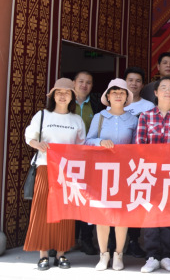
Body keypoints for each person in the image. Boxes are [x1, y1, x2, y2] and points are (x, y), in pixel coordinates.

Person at [24, 78, 86, 271]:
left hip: (67, 171)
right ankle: (43, 254)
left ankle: (61, 253)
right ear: (53, 96)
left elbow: (81, 146)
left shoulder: (76, 120)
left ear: (72, 97)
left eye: (66, 93)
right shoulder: (43, 115)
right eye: (58, 92)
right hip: (45, 167)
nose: (62, 96)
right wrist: (38, 144)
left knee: (65, 211)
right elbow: (29, 136)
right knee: (42, 210)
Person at [135, 76, 170, 273]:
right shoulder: (145, 117)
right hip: (149, 174)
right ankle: (151, 256)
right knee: (151, 215)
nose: (167, 91)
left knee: (168, 215)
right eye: (163, 88)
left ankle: (166, 255)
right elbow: (139, 146)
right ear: (156, 93)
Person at [87, 78, 139, 271]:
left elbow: (137, 146)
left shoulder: (133, 119)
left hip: (125, 173)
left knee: (121, 215)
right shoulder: (99, 117)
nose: (118, 95)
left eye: (122, 92)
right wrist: (100, 142)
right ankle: (103, 255)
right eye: (114, 92)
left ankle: (118, 254)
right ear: (108, 96)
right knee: (102, 214)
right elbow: (87, 141)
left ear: (126, 97)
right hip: (102, 172)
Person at [122, 65, 153, 259]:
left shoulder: (148, 107)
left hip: (140, 164)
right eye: (130, 80)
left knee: (136, 202)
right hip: (118, 164)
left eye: (138, 81)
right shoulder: (114, 103)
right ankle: (114, 243)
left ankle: (134, 241)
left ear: (143, 85)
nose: (134, 84)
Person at [72, 70, 103, 255]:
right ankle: (67, 239)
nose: (84, 85)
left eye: (88, 82)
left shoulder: (97, 104)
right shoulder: (64, 101)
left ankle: (85, 239)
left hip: (91, 159)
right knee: (69, 198)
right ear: (74, 83)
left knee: (87, 199)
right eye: (81, 81)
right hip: (67, 160)